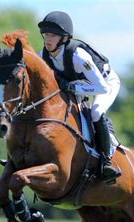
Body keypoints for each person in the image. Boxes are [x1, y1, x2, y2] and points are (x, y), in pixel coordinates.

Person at [38, 11, 121, 182]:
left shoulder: (77, 56)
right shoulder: (43, 56)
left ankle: (106, 162)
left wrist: (72, 87)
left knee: (96, 112)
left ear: (64, 37)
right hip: (82, 87)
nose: (48, 39)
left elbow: (101, 88)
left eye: (52, 35)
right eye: (45, 34)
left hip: (106, 83)